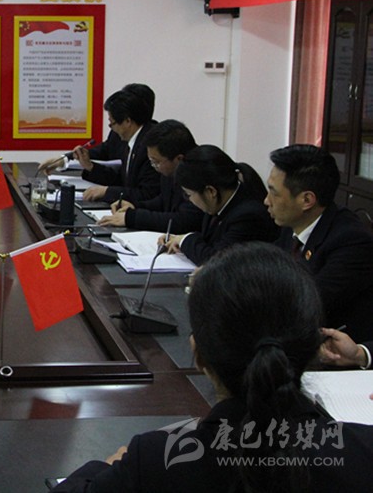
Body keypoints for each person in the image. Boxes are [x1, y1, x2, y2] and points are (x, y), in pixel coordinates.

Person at [52, 243, 373, 492]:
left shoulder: (156, 461)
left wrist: (105, 468)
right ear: (312, 348)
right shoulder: (362, 451)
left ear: (199, 355)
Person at [265, 144, 373, 342]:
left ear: (306, 200)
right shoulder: (293, 222)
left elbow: (307, 303)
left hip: (335, 350)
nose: (266, 201)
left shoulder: (351, 241)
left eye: (274, 193)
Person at [163, 145, 278, 265]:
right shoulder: (220, 202)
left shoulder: (248, 216)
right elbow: (212, 242)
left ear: (211, 191)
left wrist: (185, 240)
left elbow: (217, 260)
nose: (189, 200)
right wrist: (178, 239)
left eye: (188, 194)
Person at [98, 119, 202, 234]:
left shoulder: (198, 174)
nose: (154, 167)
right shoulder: (171, 169)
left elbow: (183, 221)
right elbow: (163, 201)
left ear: (179, 159)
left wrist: (131, 218)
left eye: (156, 162)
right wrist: (135, 206)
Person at [74, 88, 160, 203]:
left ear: (127, 121)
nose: (112, 129)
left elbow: (147, 194)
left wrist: (107, 191)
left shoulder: (149, 146)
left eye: (112, 123)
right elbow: (122, 180)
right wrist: (90, 167)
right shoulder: (132, 141)